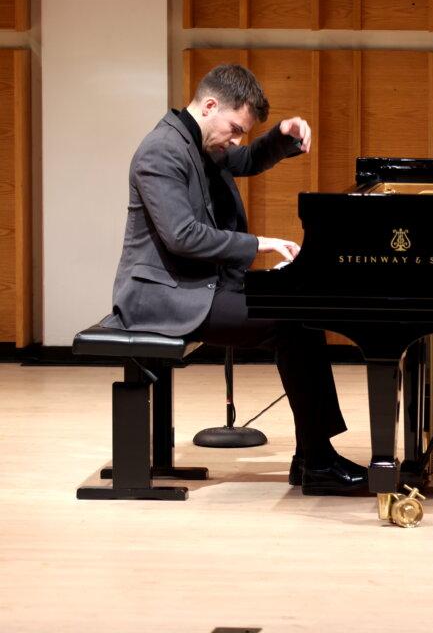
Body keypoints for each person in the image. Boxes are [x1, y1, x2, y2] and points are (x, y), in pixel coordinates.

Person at [101, 63, 367, 496]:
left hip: (197, 285)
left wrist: (282, 133)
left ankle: (312, 456)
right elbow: (182, 236)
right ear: (209, 105)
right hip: (161, 297)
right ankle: (316, 459)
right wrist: (258, 242)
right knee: (289, 322)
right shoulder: (161, 151)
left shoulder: (199, 140)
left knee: (301, 311)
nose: (237, 139)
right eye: (235, 128)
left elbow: (245, 158)